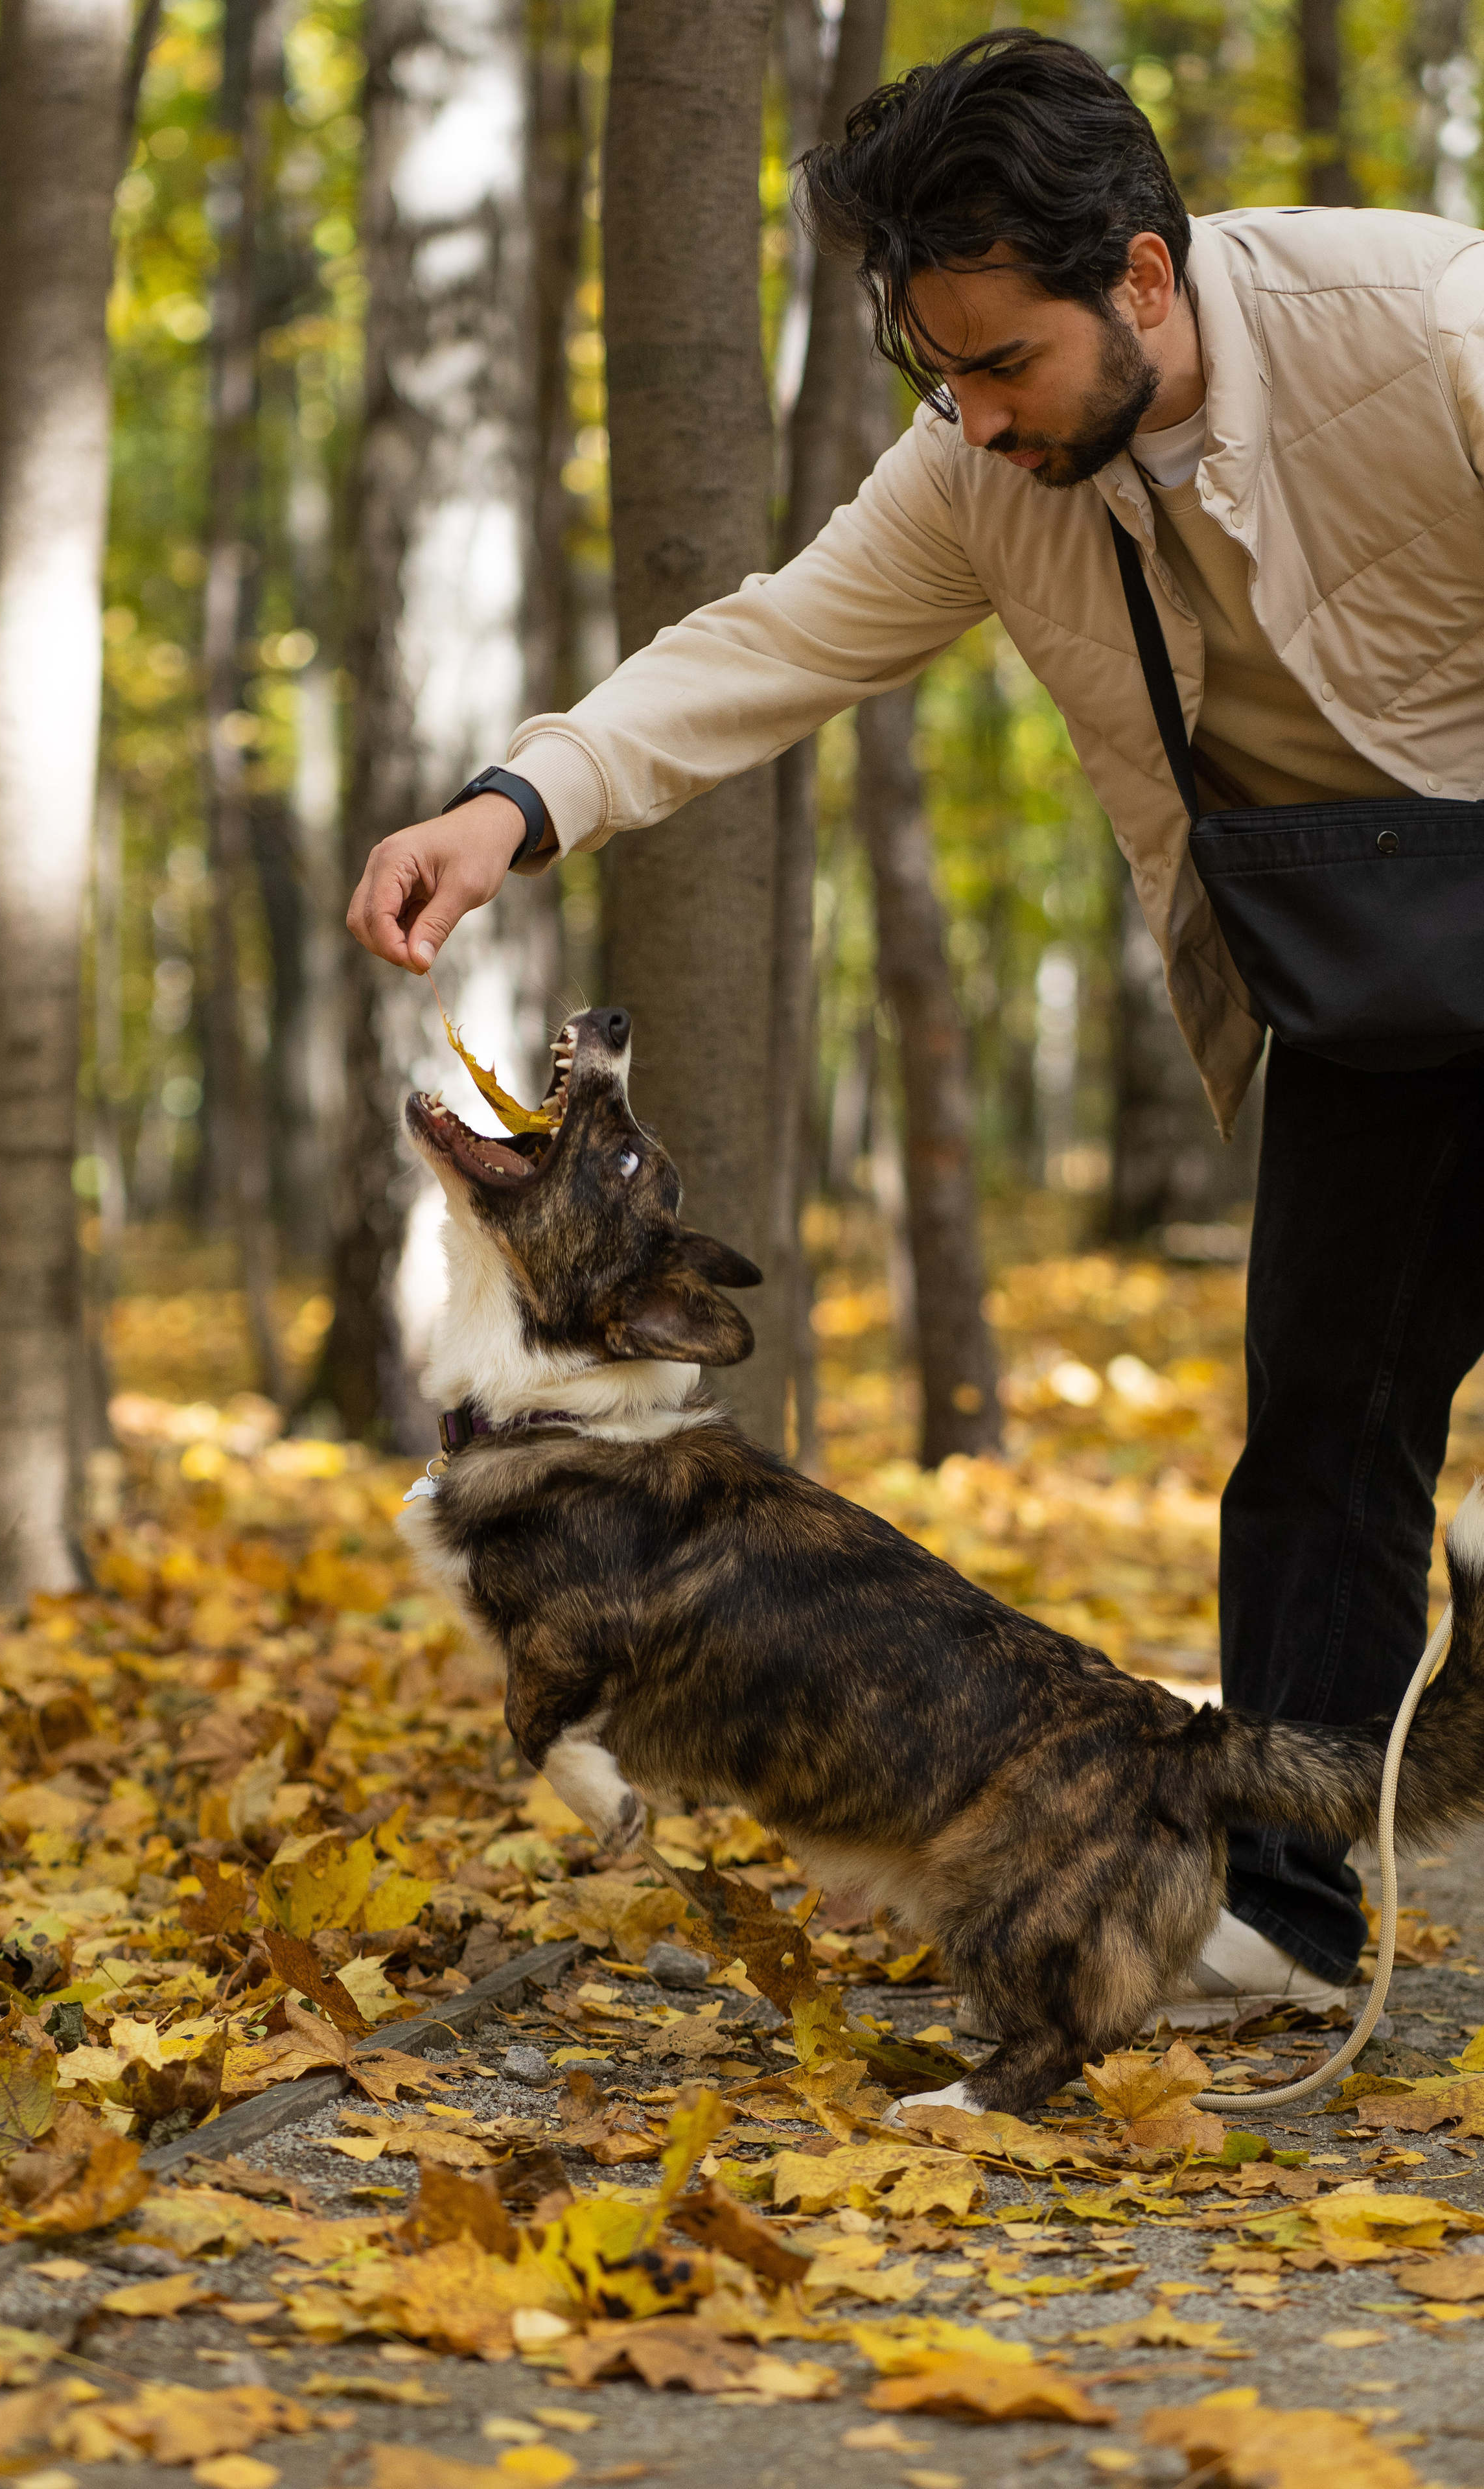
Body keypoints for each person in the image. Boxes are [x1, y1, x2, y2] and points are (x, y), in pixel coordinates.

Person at [346, 30, 1484, 2027]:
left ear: (1144, 276)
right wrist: (510, 804)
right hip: (1374, 988)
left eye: (1000, 365)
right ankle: (1289, 1937)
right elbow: (767, 644)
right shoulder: (981, 466)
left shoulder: (1426, 325)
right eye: (934, 374)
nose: (967, 419)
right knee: (1320, 1441)